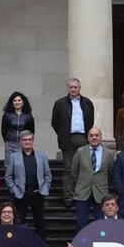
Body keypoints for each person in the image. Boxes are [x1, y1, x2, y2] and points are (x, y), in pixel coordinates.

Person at [51, 77, 95, 208]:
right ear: (68, 88)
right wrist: (63, 134)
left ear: (79, 88)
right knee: (68, 169)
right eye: (71, 87)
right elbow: (55, 123)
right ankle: (69, 197)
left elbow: (90, 121)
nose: (73, 89)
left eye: (76, 87)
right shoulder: (60, 103)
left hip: (83, 138)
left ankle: (82, 195)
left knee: (84, 168)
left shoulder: (87, 103)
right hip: (67, 138)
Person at [3, 131, 51, 237]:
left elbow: (48, 175)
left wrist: (45, 188)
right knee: (19, 222)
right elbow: (8, 176)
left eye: (29, 139)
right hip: (21, 194)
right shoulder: (14, 156)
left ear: (33, 141)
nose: (27, 142)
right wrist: (14, 190)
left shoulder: (41, 156)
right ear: (20, 142)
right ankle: (17, 246)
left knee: (40, 223)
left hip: (37, 193)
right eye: (24, 140)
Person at [70, 127, 114, 232]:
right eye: (91, 135)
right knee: (81, 222)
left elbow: (111, 172)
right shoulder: (80, 152)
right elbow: (74, 172)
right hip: (82, 192)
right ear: (88, 138)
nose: (94, 137)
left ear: (100, 137)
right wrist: (81, 183)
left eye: (96, 135)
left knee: (101, 223)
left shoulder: (108, 153)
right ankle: (82, 246)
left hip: (100, 192)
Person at [0, 91, 36, 156]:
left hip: (24, 144)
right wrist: (7, 140)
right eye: (14, 100)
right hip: (10, 144)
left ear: (23, 102)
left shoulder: (28, 116)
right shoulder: (7, 115)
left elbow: (31, 131)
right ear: (12, 102)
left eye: (19, 100)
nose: (17, 102)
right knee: (10, 164)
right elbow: (3, 130)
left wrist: (26, 141)